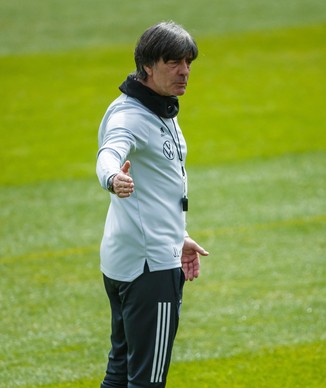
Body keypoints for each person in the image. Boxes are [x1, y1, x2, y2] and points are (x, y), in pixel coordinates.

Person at [96, 21, 209, 387]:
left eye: (188, 62)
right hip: (151, 270)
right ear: (147, 66)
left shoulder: (158, 109)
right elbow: (109, 153)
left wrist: (180, 235)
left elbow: (159, 189)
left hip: (131, 258)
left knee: (121, 372)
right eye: (173, 62)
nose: (185, 71)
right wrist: (113, 177)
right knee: (147, 381)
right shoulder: (131, 115)